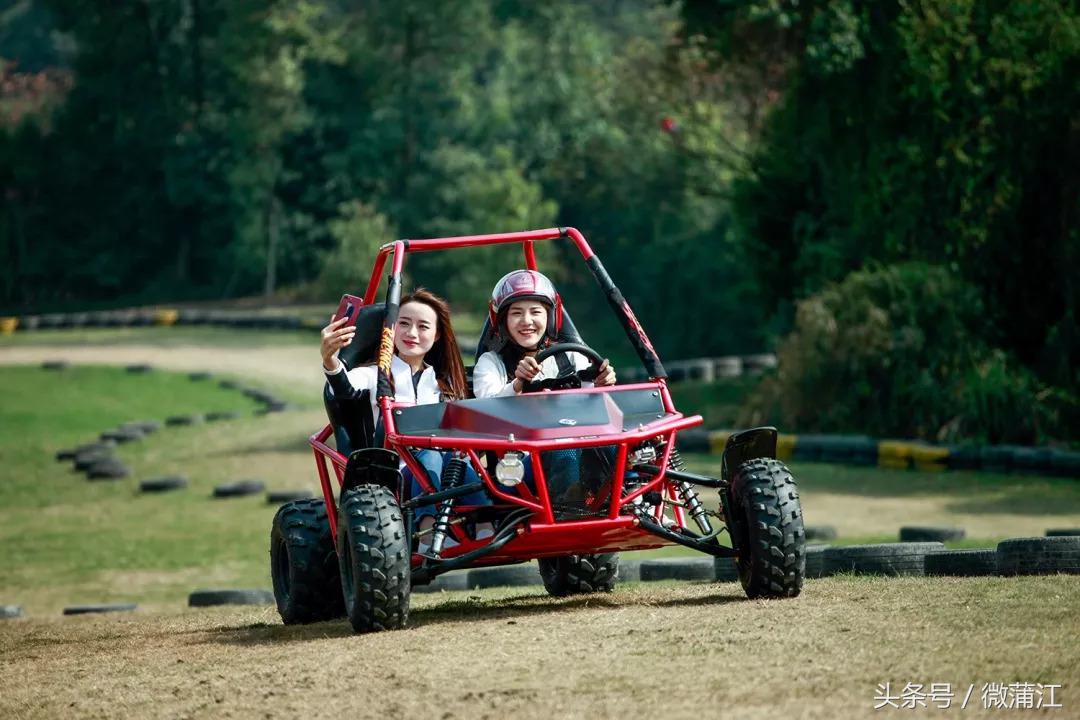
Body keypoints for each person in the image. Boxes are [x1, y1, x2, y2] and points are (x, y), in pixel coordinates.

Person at [320, 288, 491, 553]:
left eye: (423, 326)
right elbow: (343, 389)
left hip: (447, 474)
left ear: (436, 337)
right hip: (391, 474)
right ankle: (427, 532)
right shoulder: (374, 375)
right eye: (404, 324)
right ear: (389, 330)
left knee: (461, 462)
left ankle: (485, 527)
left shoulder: (444, 384)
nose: (412, 333)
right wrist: (330, 360)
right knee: (430, 456)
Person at [472, 270, 617, 503]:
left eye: (536, 312)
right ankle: (568, 514)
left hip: (579, 448)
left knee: (620, 447)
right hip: (519, 464)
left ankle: (634, 502)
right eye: (516, 313)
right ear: (502, 320)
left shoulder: (571, 356)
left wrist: (601, 383)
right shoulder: (491, 364)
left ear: (551, 317)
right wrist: (517, 385)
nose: (527, 321)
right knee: (564, 453)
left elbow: (592, 408)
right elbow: (485, 411)